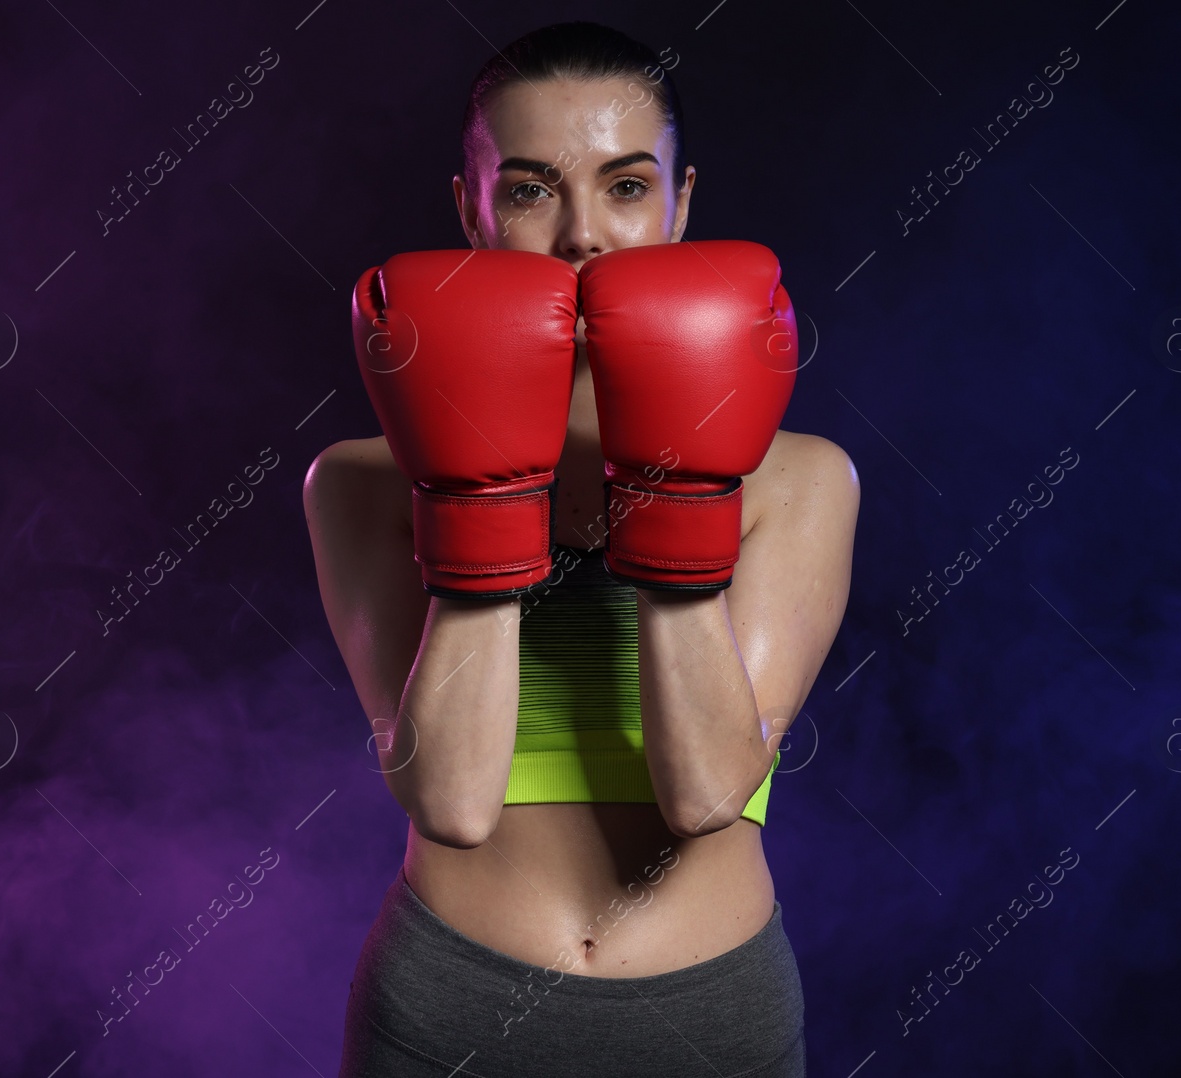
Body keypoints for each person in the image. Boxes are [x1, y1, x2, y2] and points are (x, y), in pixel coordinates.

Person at [304, 21, 859, 1077]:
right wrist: (472, 485)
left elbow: (703, 795)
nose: (580, 237)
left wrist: (682, 483)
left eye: (623, 186)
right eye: (526, 190)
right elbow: (455, 801)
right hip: (446, 1015)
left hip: (711, 1021)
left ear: (681, 202)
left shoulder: (800, 478)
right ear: (468, 207)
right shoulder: (358, 481)